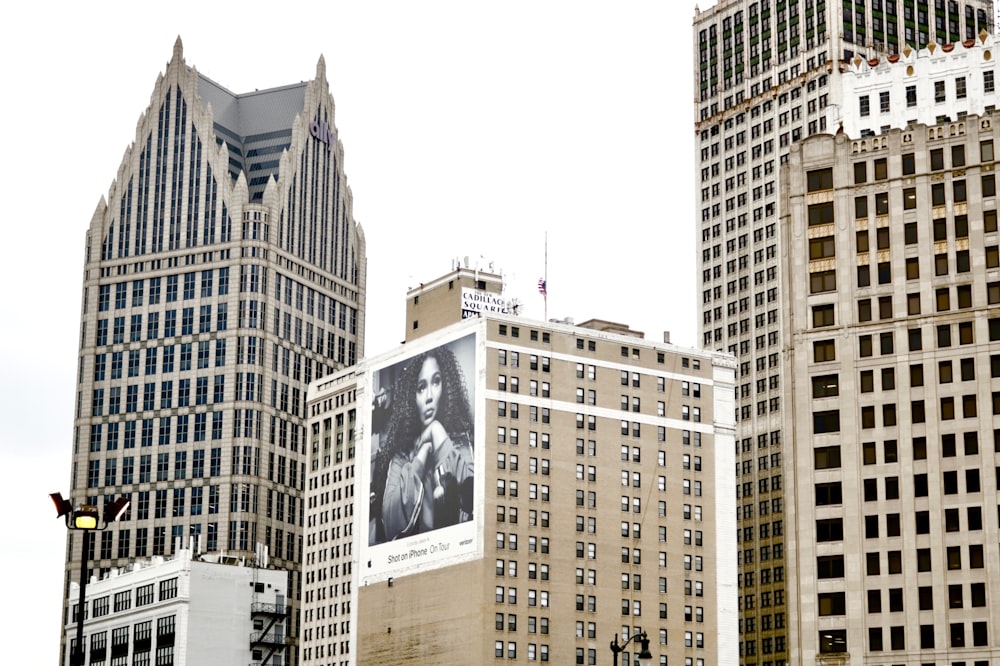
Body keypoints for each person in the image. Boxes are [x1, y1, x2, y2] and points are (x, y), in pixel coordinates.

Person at [370, 346, 474, 542]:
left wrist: (436, 431)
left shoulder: (461, 441)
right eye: (421, 388)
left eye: (436, 382)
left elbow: (472, 500)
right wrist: (422, 453)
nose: (429, 397)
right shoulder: (400, 457)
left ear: (446, 387)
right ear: (412, 398)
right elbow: (391, 523)